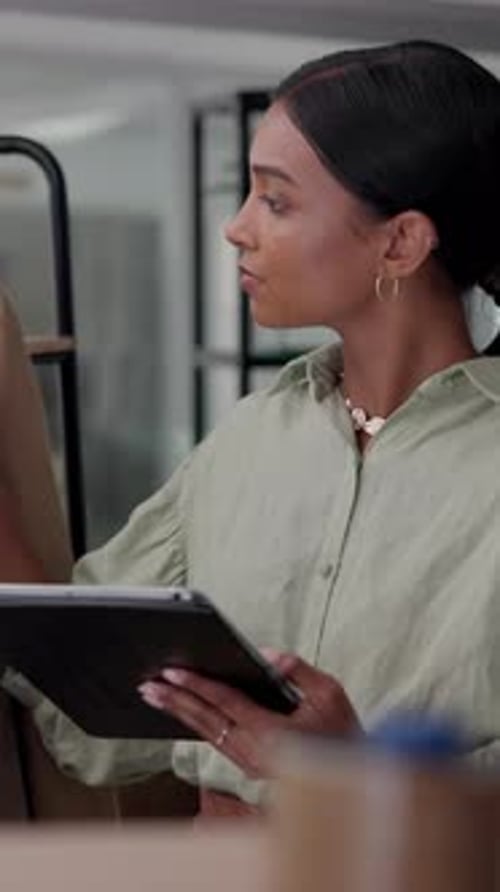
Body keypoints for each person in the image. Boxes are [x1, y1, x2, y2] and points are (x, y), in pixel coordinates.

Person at [5, 39, 500, 818]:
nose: (236, 228)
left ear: (400, 241)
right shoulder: (249, 438)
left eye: (276, 201)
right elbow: (85, 700)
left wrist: (362, 770)